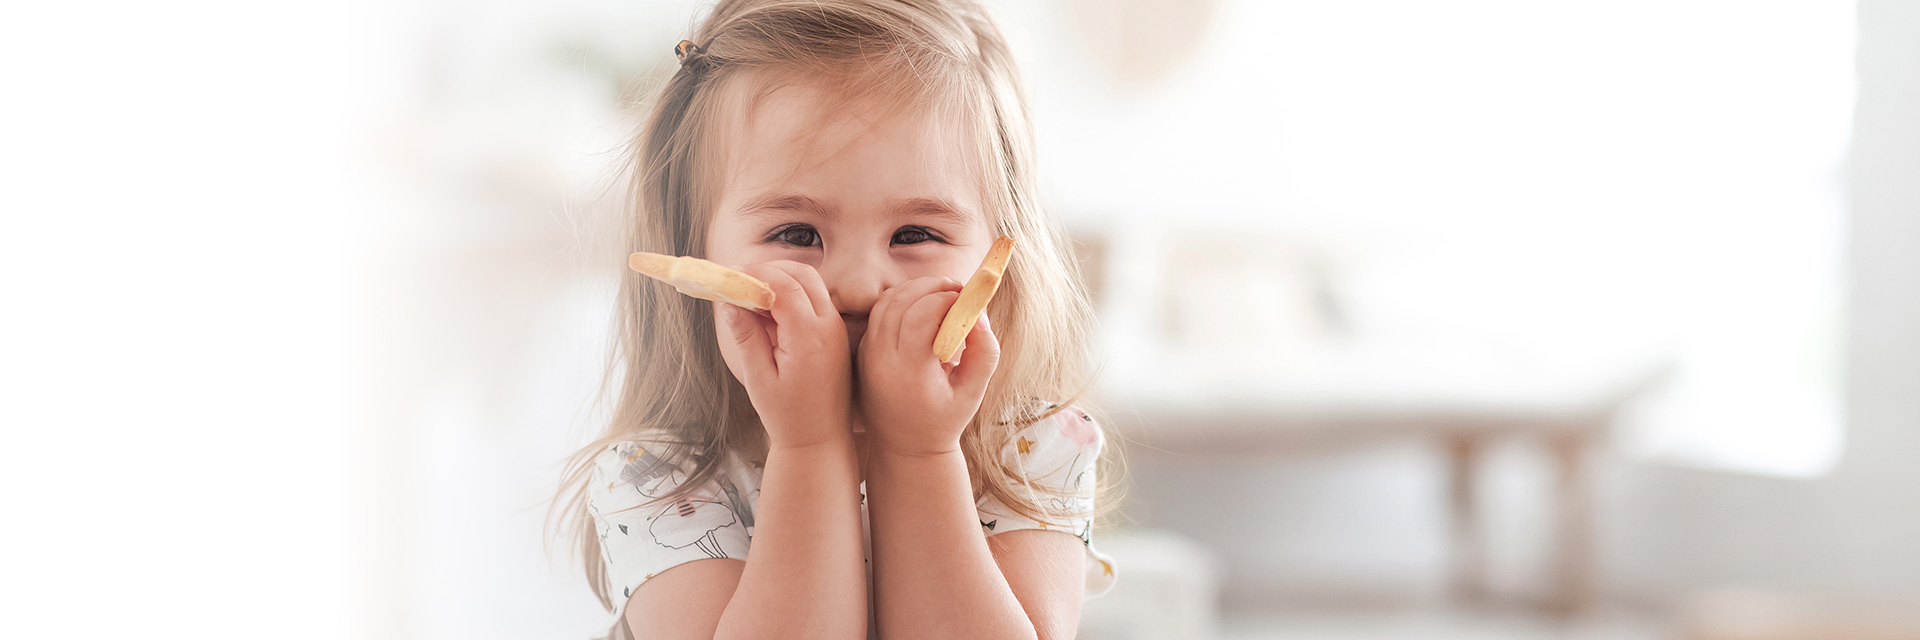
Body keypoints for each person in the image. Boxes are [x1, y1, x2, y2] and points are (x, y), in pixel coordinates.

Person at [550, 1, 1115, 637]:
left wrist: (919, 452)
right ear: (696, 255)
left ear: (1000, 252)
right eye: (796, 232)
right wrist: (808, 445)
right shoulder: (661, 477)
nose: (857, 285)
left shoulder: (1034, 449)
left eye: (914, 232)